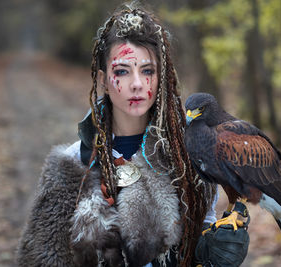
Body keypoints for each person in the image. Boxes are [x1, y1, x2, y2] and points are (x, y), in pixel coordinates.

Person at [17, 4, 249, 267]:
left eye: (147, 70)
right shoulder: (71, 165)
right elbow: (42, 258)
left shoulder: (189, 159)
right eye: (123, 71)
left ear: (161, 78)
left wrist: (215, 253)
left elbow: (198, 242)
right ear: (103, 80)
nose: (137, 83)